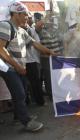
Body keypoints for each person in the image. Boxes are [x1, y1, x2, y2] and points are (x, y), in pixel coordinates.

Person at [0, 2, 55, 131]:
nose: (27, 17)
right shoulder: (5, 26)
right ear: (16, 14)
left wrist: (49, 52)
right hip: (7, 67)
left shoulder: (21, 30)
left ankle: (18, 117)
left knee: (22, 92)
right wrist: (17, 66)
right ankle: (26, 122)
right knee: (19, 93)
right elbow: (0, 49)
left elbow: (35, 43)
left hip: (18, 67)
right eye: (25, 14)